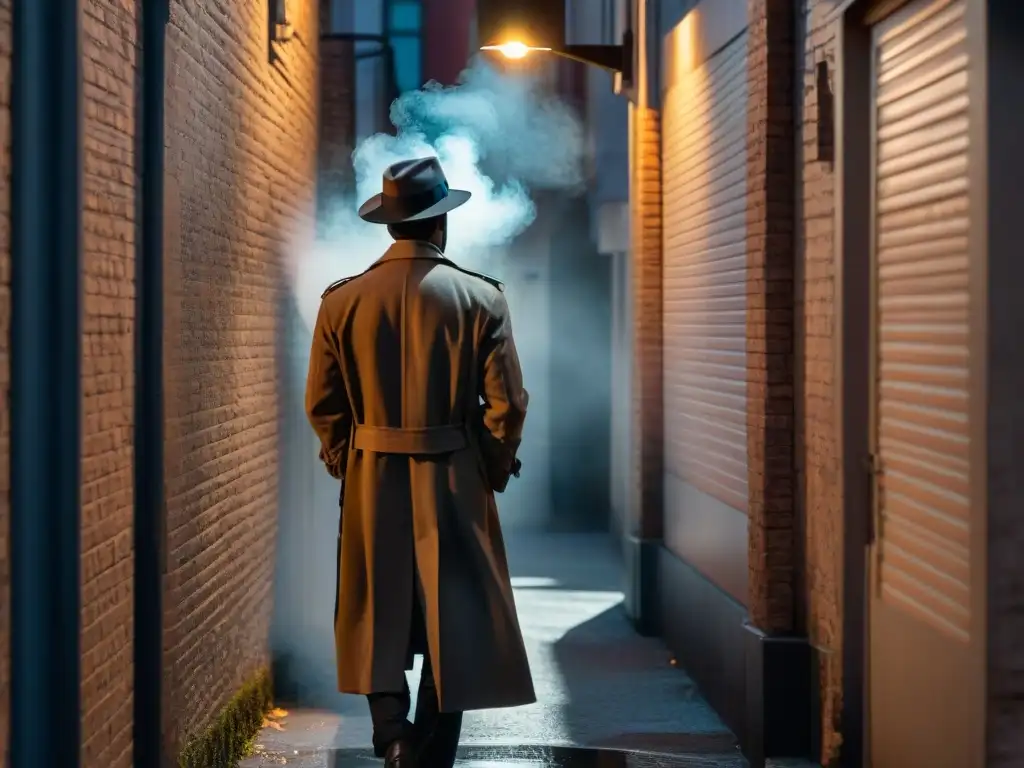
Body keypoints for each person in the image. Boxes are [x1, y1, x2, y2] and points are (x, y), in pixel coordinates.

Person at [305, 156, 536, 768]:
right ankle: (430, 748)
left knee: (373, 605)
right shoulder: (481, 297)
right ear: (440, 225)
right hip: (454, 473)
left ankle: (393, 738)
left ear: (390, 226)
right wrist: (488, 465)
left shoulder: (341, 302)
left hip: (371, 474)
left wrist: (345, 462)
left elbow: (323, 405)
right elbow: (508, 404)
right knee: (451, 609)